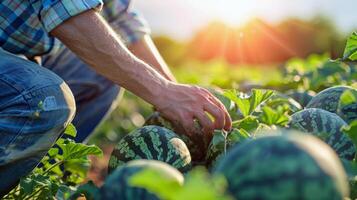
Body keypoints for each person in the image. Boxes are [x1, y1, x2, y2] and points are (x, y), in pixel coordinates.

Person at [0, 0, 232, 195]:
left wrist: (176, 93)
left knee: (104, 72)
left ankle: (36, 172)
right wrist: (161, 90)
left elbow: (123, 19)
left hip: (19, 53)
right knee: (43, 99)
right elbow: (64, 8)